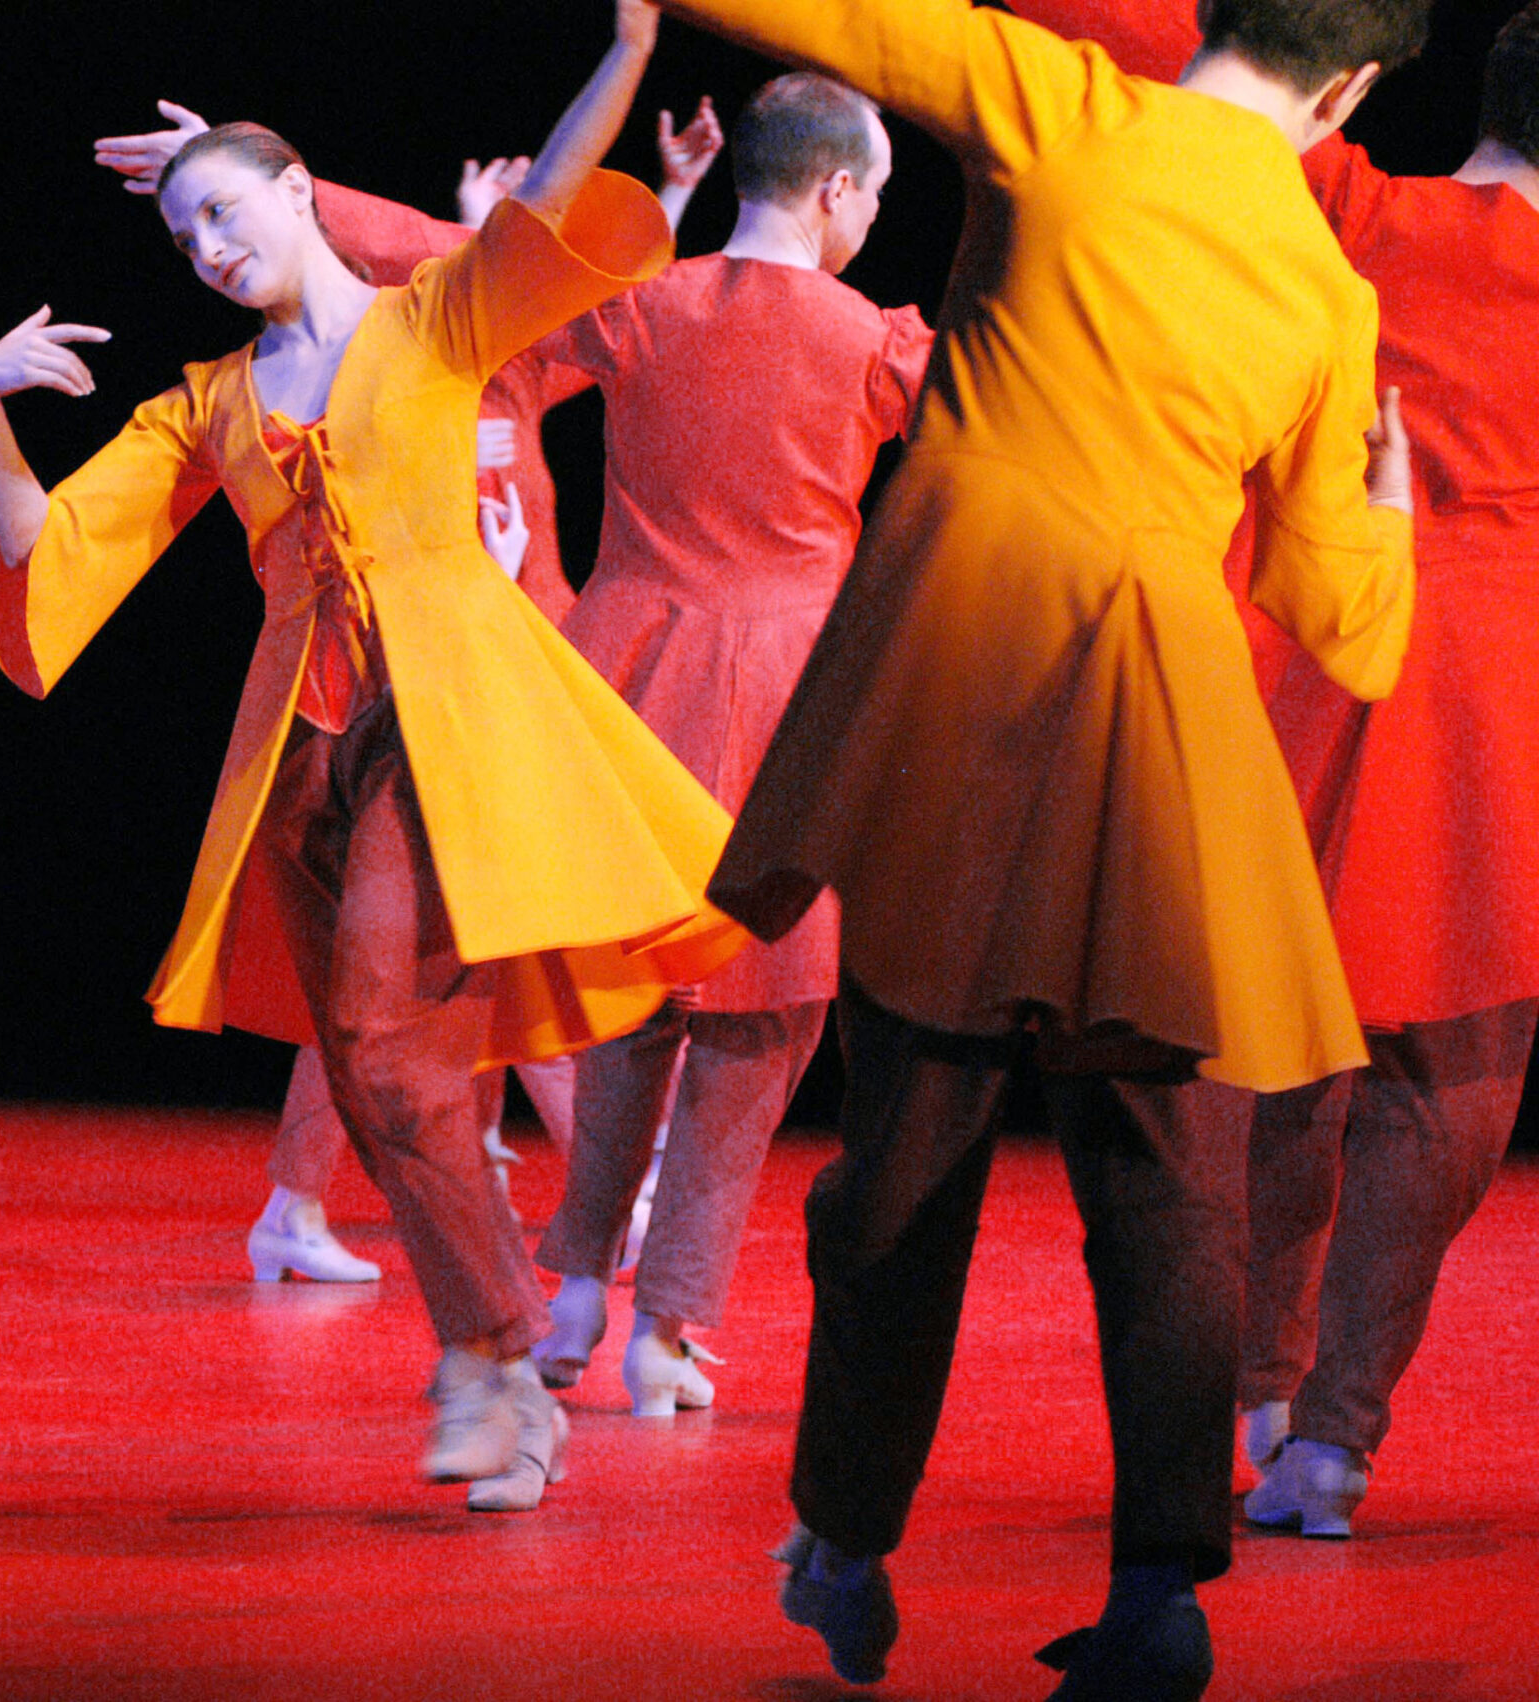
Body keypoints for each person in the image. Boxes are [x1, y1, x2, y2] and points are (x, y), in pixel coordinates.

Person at [646, 0, 1420, 1693]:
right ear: (1353, 85)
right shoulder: (1326, 283)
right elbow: (1335, 615)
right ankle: (1161, 1591)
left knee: (903, 1147)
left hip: (967, 666)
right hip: (1158, 721)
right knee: (1163, 1187)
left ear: (1217, 14)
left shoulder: (1072, 106)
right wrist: (1395, 520)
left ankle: (844, 1533)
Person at [0, 0, 748, 1513]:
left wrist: (630, 51)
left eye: (222, 210)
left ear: (295, 185)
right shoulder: (210, 402)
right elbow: (47, 548)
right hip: (303, 757)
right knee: (389, 1082)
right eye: (182, 230)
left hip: (444, 728)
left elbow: (547, 209)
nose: (203, 245)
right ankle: (505, 1365)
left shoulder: (434, 317)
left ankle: (496, 1362)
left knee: (393, 1050)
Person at [1006, 0, 1539, 1543]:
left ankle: (1256, 1380)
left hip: (1317, 650)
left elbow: (1175, 42)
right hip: (1502, 696)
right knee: (1456, 1075)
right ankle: (1331, 1438)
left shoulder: (1362, 206)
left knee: (1289, 1037)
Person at [94, 93, 728, 1288]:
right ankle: (587, 1180)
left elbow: (596, 295)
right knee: (442, 954)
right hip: (392, 689)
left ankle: (322, 1197)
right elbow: (425, 261)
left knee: (405, 973)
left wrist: (668, 197)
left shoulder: (501, 362)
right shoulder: (383, 356)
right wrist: (278, 184)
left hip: (500, 675)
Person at [523, 71, 933, 1416]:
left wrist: (671, 202)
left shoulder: (641, 309)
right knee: (764, 1018)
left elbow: (507, 307)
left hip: (629, 675)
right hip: (786, 693)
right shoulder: (873, 339)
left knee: (633, 995)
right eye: (871, 193)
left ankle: (578, 1286)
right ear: (835, 191)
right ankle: (671, 1323)